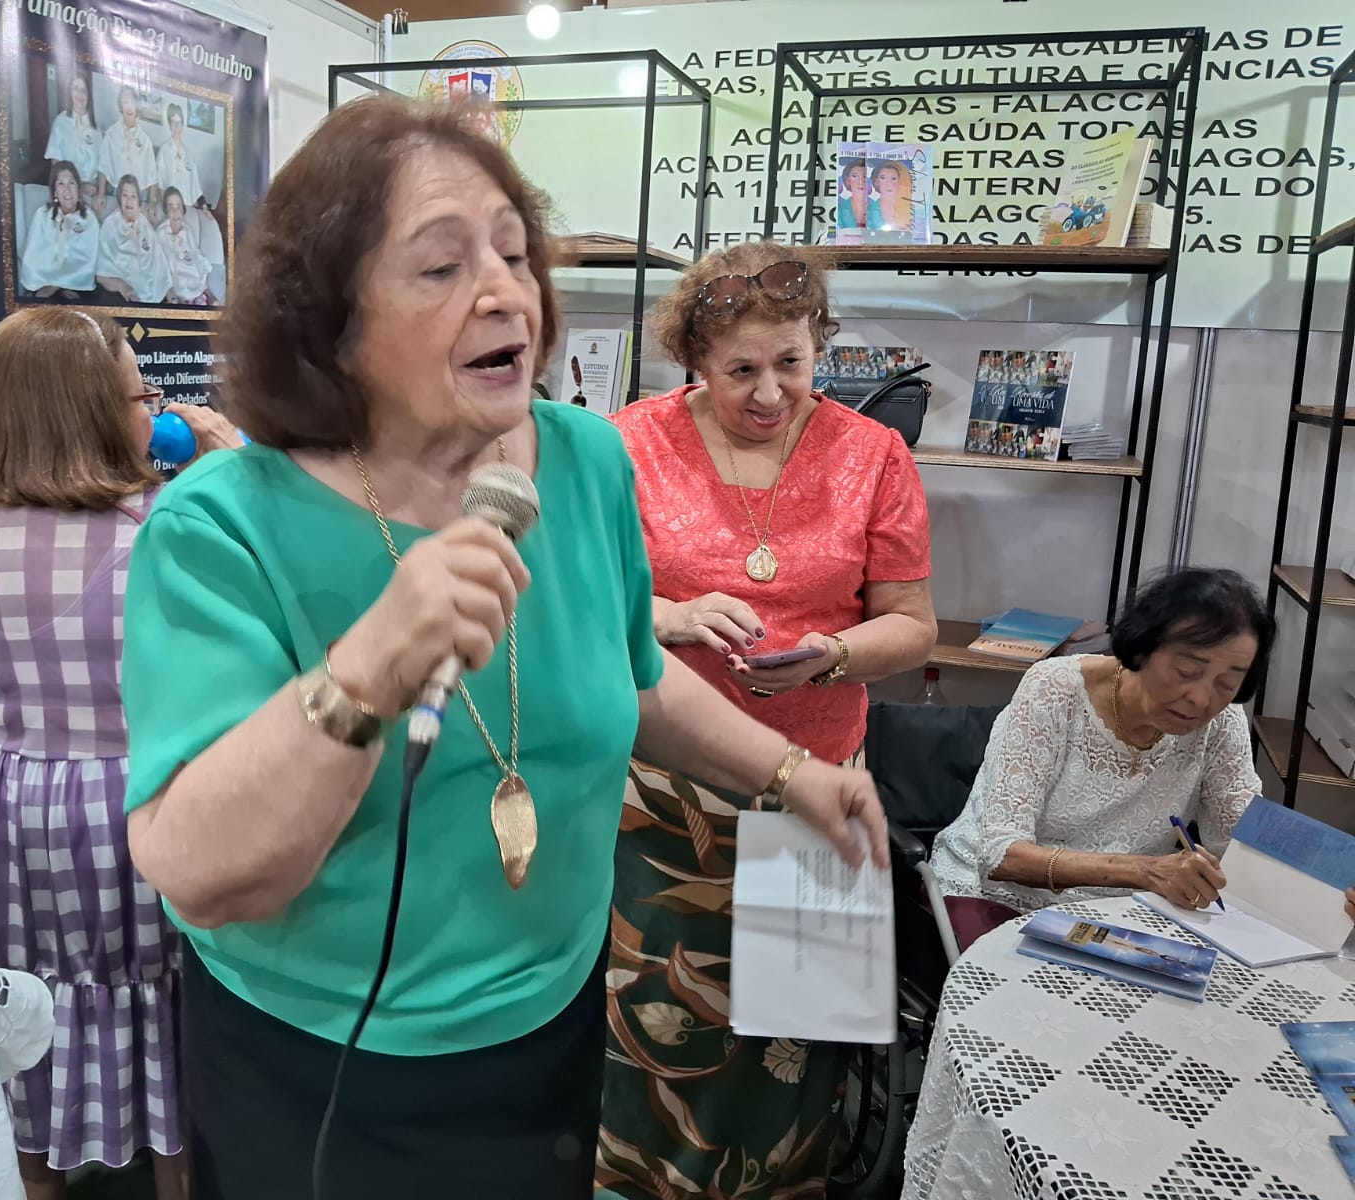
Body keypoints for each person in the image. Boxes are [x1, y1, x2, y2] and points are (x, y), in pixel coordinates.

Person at [116, 95, 889, 1200]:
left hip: (552, 1021)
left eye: (516, 253)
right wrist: (372, 662)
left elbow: (630, 670)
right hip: (325, 1062)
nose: (503, 291)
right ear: (327, 318)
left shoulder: (582, 460)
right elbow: (203, 870)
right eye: (440, 267)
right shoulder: (219, 528)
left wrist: (788, 771)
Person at [601, 240, 936, 1197]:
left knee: (799, 1027)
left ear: (819, 343)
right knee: (663, 1016)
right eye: (740, 369)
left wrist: (829, 655)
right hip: (667, 801)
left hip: (819, 786)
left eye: (791, 363)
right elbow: (584, 605)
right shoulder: (627, 445)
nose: (768, 392)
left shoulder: (873, 455)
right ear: (694, 361)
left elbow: (909, 626)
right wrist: (668, 616)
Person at [0, 308, 240, 1200]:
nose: (154, 406)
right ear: (96, 409)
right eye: (142, 391)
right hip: (131, 804)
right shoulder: (165, 527)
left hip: (4, 810)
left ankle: (36, 1177)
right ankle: (173, 1173)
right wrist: (230, 463)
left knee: (21, 999)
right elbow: (230, 686)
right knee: (160, 995)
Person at [930, 567, 1276, 951]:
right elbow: (1002, 856)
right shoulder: (1055, 689)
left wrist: (1331, 892)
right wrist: (1146, 871)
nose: (1200, 698)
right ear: (1143, 647)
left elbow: (1244, 846)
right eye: (1186, 671)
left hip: (1121, 917)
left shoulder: (1221, 723)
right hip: (996, 899)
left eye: (1227, 684)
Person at [19, 160, 99, 299]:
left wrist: (61, 284)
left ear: (78, 189)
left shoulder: (89, 218)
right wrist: (50, 284)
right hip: (43, 284)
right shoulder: (42, 215)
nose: (67, 190)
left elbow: (90, 259)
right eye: (61, 184)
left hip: (78, 286)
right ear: (54, 191)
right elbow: (33, 255)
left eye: (71, 183)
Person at [98, 175, 171, 304]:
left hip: (151, 292)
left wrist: (167, 289)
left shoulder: (143, 222)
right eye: (125, 195)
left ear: (139, 201)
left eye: (133, 196)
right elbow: (101, 274)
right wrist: (123, 287)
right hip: (120, 295)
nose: (129, 201)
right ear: (119, 199)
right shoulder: (110, 224)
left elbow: (157, 258)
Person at [98, 85, 157, 219]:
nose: (129, 106)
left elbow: (152, 175)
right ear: (120, 106)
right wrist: (101, 193)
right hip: (115, 194)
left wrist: (152, 203)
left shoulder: (145, 140)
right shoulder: (111, 134)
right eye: (125, 102)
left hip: (137, 197)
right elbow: (104, 165)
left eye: (132, 102)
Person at [43, 72, 100, 209]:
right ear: (69, 92)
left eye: (83, 90)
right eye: (75, 89)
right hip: (66, 193)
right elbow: (56, 165)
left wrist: (93, 189)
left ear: (89, 95)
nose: (79, 95)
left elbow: (101, 170)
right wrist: (75, 187)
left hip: (89, 194)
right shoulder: (60, 122)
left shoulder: (96, 130)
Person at [156, 187, 213, 306]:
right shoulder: (160, 233)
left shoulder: (187, 230)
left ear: (183, 210)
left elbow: (195, 256)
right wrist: (169, 292)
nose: (175, 211)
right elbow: (158, 265)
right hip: (175, 292)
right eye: (171, 207)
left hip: (195, 288)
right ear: (166, 210)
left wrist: (207, 290)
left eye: (178, 206)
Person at [156, 102, 204, 210]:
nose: (177, 127)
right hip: (170, 206)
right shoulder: (164, 150)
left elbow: (195, 184)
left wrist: (204, 206)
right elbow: (160, 183)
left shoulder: (188, 152)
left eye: (179, 123)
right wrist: (166, 207)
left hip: (187, 206)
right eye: (173, 123)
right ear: (169, 125)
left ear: (183, 125)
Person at [869, 160, 914, 232]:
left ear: (900, 181)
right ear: (876, 181)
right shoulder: (869, 210)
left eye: (893, 178)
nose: (888, 184)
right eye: (883, 178)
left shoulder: (911, 210)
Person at [837, 156, 872, 230]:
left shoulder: (876, 206)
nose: (860, 182)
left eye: (864, 177)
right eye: (855, 176)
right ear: (848, 180)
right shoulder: (840, 208)